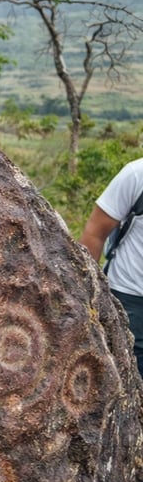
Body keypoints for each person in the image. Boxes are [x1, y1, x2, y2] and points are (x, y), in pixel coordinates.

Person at [81, 157, 143, 374]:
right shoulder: (136, 175)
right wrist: (86, 294)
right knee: (127, 378)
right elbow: (94, 233)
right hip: (130, 300)